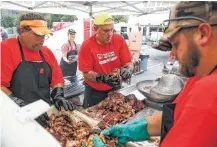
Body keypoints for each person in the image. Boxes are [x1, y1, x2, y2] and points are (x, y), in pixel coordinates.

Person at [92, 2, 217, 147]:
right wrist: (132, 130)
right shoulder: (198, 77)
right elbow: (174, 116)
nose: (173, 54)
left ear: (203, 34)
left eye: (176, 44)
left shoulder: (210, 92)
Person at [0, 13, 75, 128]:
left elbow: (57, 79)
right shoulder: (6, 48)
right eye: (38, 35)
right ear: (22, 32)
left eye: (44, 35)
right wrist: (20, 105)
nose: (42, 40)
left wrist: (58, 95)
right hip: (16, 115)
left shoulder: (46, 52)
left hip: (43, 112)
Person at [78, 12, 134, 109]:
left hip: (115, 88)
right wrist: (102, 78)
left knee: (116, 115)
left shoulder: (119, 40)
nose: (110, 34)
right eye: (106, 30)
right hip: (95, 92)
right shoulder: (87, 46)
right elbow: (86, 73)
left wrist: (128, 69)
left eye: (112, 29)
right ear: (95, 28)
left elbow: (128, 62)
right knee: (94, 118)